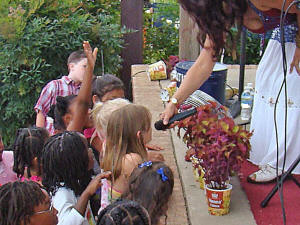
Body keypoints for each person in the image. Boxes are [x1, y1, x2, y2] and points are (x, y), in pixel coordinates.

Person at [161, 0, 300, 183]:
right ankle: (275, 155)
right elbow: (204, 63)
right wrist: (174, 102)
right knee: (267, 81)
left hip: (296, 38)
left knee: (290, 86)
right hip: (285, 35)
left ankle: (281, 162)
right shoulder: (223, 10)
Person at [42, 131, 111, 225]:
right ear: (75, 161)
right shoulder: (63, 194)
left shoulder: (76, 183)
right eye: (86, 149)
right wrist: (87, 193)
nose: (90, 151)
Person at [101, 104, 153, 203]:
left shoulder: (109, 148)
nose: (151, 129)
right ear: (139, 135)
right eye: (149, 127)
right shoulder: (132, 160)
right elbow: (148, 190)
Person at [35, 49, 87, 135]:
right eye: (84, 66)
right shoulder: (55, 86)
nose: (87, 71)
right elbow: (41, 112)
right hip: (52, 137)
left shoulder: (85, 91)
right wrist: (40, 138)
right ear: (71, 66)